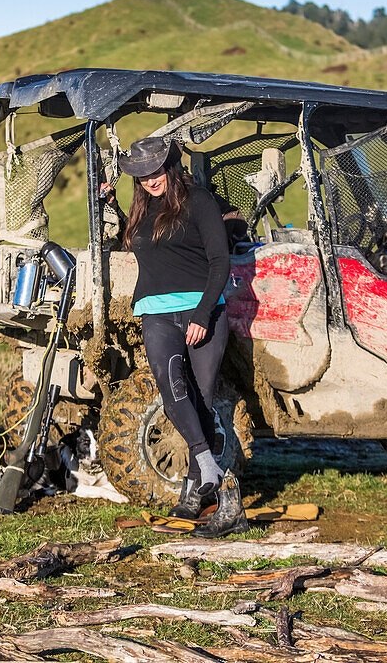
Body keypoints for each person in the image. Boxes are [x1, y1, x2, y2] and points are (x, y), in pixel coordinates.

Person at [105, 136, 247, 538]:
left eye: (156, 172)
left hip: (201, 313)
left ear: (170, 166)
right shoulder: (141, 210)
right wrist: (110, 206)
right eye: (142, 175)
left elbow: (220, 261)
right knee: (173, 397)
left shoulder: (200, 202)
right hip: (156, 313)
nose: (150, 180)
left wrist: (203, 313)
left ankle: (199, 492)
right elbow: (138, 245)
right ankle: (214, 482)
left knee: (200, 405)